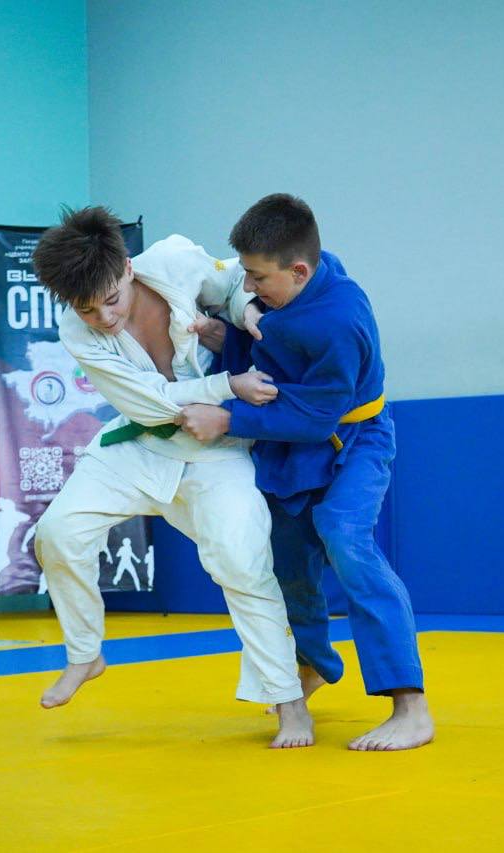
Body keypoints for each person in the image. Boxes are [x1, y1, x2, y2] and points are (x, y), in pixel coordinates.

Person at [29, 206, 313, 749]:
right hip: (138, 443)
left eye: (111, 300)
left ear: (128, 268)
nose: (103, 317)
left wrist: (246, 310)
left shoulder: (176, 260)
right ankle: (85, 654)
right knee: (57, 532)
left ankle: (288, 701)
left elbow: (232, 283)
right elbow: (152, 403)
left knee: (241, 562)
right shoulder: (76, 329)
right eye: (87, 309)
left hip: (218, 449)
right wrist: (228, 385)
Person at [177, 194, 435, 751]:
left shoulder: (339, 320)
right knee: (287, 555)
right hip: (294, 443)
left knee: (345, 538)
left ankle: (410, 705)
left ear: (298, 270)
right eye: (247, 273)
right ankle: (314, 663)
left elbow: (316, 416)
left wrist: (227, 418)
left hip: (354, 438)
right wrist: (236, 327)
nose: (248, 285)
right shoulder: (308, 274)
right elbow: (273, 344)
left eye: (258, 278)